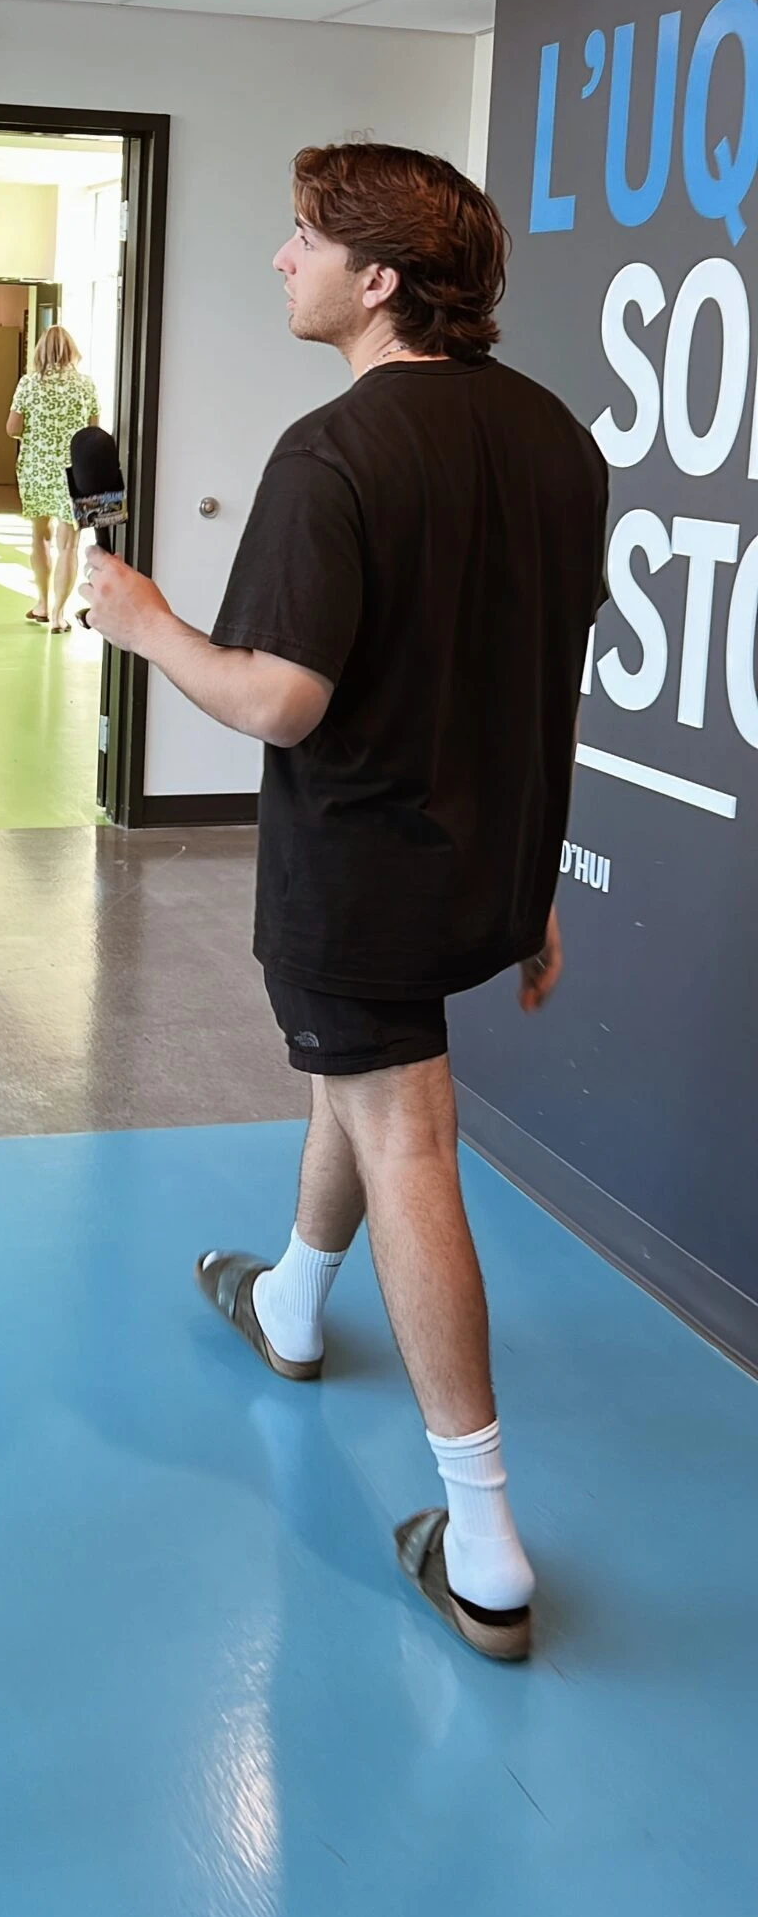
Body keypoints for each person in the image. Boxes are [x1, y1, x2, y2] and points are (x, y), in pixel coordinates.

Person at [82, 141, 607, 1663]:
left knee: (408, 1131)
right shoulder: (558, 442)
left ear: (378, 280)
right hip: (485, 868)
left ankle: (488, 1538)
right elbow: (543, 683)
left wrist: (144, 622)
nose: (280, 258)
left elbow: (279, 701)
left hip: (366, 877)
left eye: (303, 236)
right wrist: (538, 878)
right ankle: (298, 1305)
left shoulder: (336, 455)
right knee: (363, 1080)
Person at [6, 325, 100, 633]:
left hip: (36, 469)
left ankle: (42, 604)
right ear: (72, 351)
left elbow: (12, 428)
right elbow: (93, 430)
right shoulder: (86, 385)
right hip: (77, 471)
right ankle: (60, 614)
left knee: (40, 537)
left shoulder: (29, 384)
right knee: (69, 546)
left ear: (40, 352)